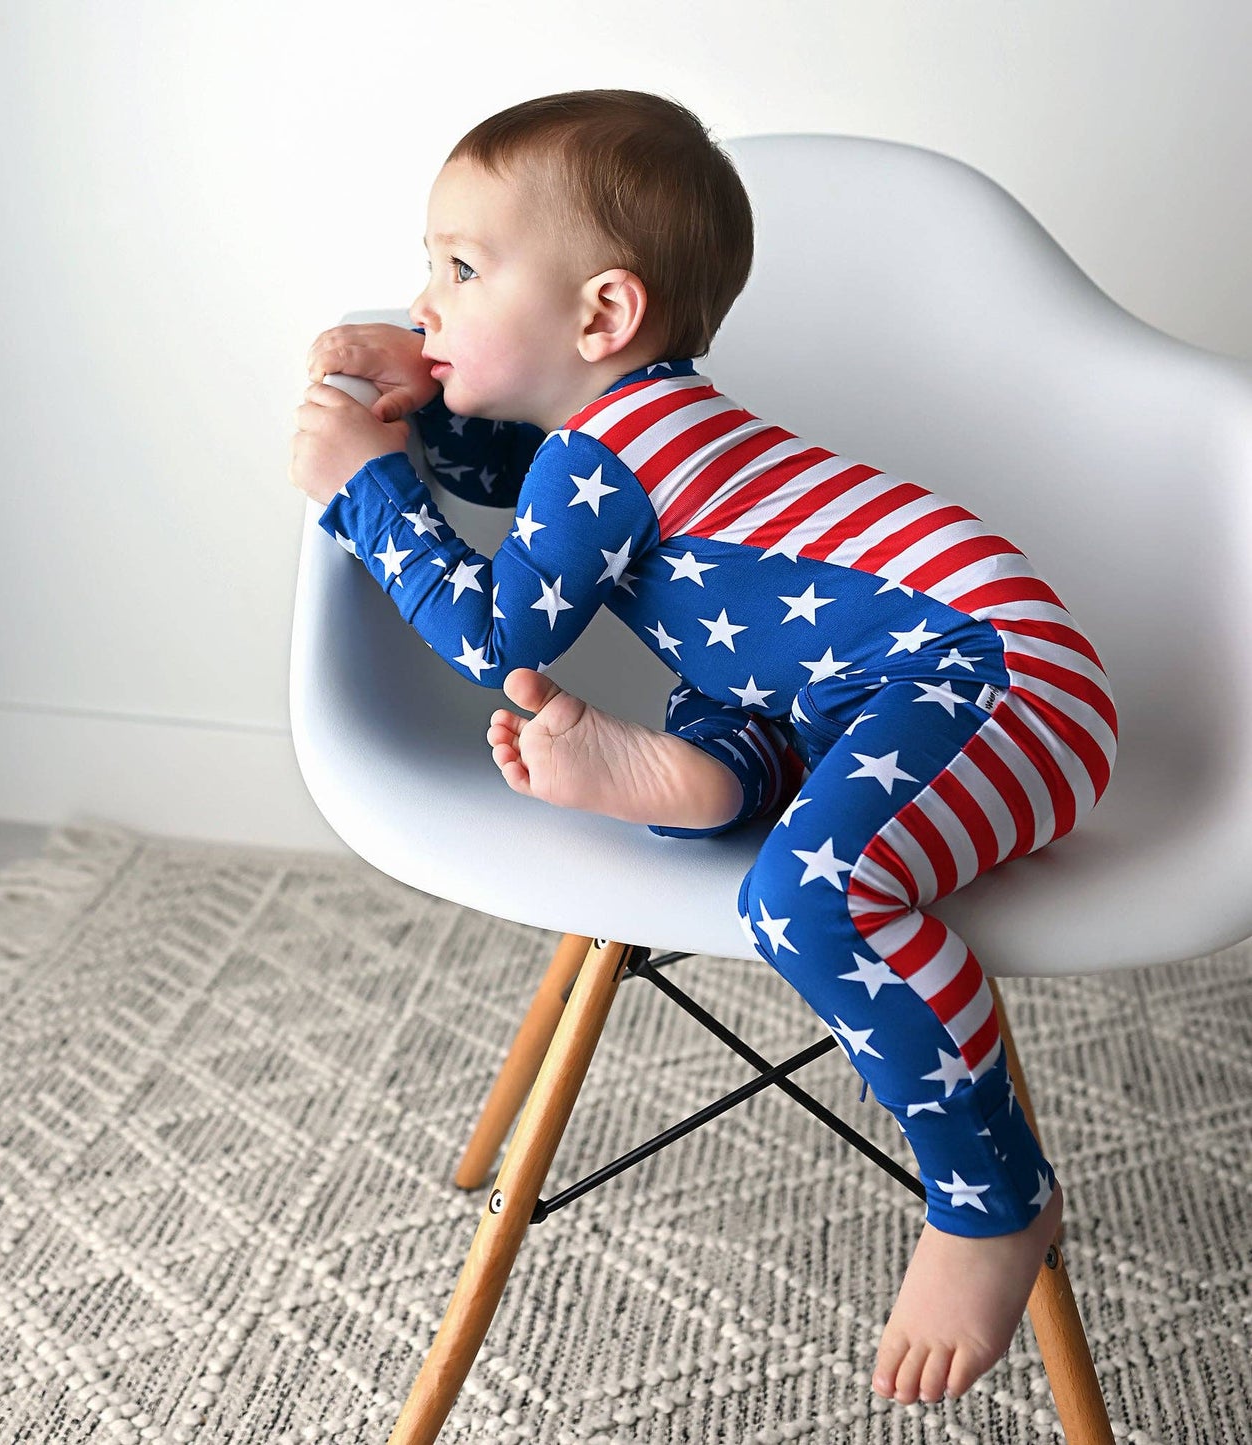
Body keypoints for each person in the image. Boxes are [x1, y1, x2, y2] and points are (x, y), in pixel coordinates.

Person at [288, 88, 1117, 1408]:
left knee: (810, 895)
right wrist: (416, 383)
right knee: (720, 696)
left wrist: (366, 488)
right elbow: (513, 465)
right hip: (849, 688)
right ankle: (713, 773)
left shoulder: (603, 458)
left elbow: (502, 636)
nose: (425, 297)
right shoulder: (632, 424)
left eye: (455, 268)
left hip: (993, 678)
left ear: (602, 316)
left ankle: (989, 1197)